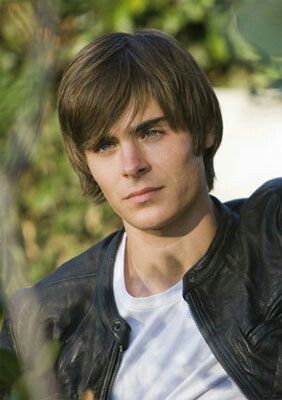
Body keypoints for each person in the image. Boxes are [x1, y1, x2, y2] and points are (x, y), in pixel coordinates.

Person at [0, 29, 281, 400]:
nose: (131, 166)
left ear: (205, 129)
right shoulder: (44, 320)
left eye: (151, 133)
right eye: (105, 145)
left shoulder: (272, 235)